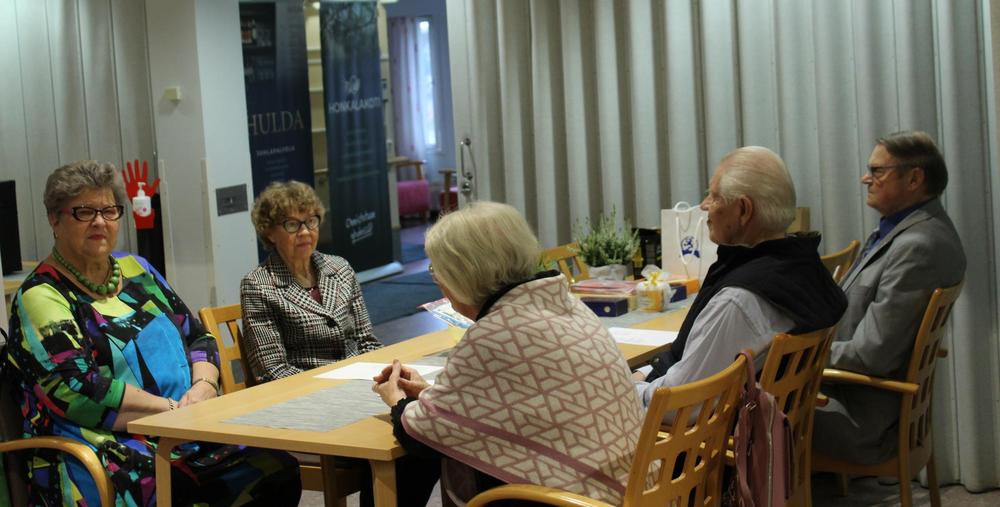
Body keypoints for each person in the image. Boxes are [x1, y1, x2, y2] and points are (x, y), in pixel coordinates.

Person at [5, 160, 300, 506]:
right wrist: (173, 410)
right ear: (55, 220)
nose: (100, 221)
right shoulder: (41, 295)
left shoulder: (137, 269)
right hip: (103, 445)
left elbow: (198, 337)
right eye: (84, 212)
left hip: (184, 427)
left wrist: (204, 386)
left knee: (275, 468)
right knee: (186, 491)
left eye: (109, 210)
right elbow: (79, 390)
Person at [373, 201, 649, 506]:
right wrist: (430, 392)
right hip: (636, 490)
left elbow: (420, 436)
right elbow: (521, 401)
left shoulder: (493, 333)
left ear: (461, 274)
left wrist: (396, 398)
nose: (437, 280)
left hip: (579, 500)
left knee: (408, 467)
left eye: (437, 271)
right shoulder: (564, 303)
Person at [635, 146, 847, 405]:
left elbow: (680, 403)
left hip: (708, 427)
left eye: (714, 196)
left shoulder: (739, 300)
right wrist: (643, 373)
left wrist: (625, 389)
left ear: (744, 210)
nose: (704, 206)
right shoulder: (804, 266)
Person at [813, 131, 966, 463]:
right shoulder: (910, 229)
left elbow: (872, 355)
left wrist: (800, 355)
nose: (865, 178)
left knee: (736, 407)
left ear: (914, 179)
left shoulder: (917, 247)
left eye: (877, 171)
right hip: (860, 397)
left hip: (862, 417)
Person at [241, 180, 381, 383]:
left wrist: (381, 375)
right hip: (306, 390)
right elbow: (272, 369)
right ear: (269, 233)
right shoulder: (257, 285)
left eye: (311, 221)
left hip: (360, 381)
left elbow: (367, 342)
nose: (305, 232)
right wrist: (335, 387)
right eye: (292, 225)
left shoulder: (340, 268)